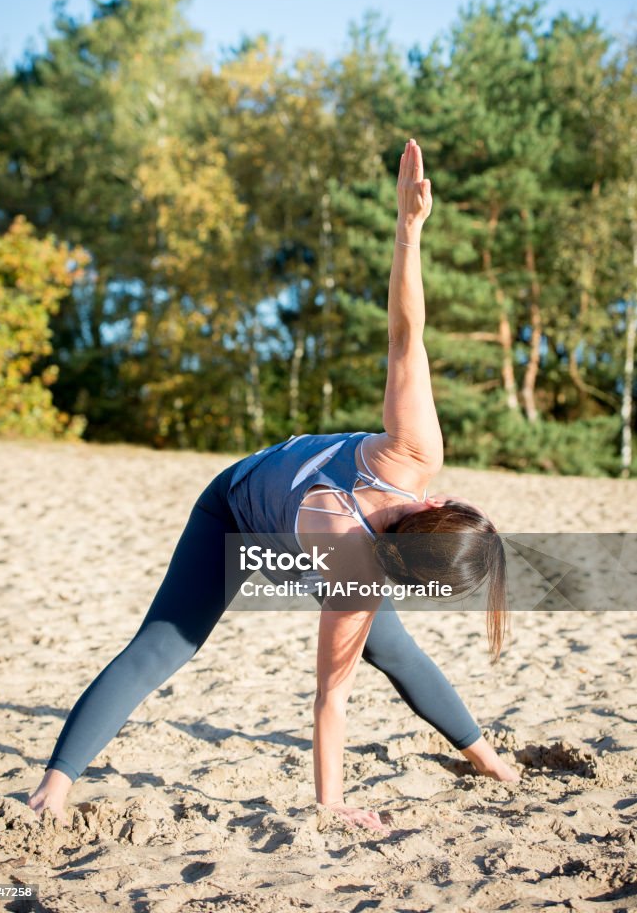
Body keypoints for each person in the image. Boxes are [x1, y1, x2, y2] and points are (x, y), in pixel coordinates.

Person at [27, 139, 519, 833]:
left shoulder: (411, 458)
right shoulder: (359, 566)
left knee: (389, 648)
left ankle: (487, 760)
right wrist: (329, 806)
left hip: (296, 516)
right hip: (231, 511)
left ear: (437, 507)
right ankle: (57, 780)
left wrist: (408, 231)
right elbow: (329, 700)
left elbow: (407, 337)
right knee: (167, 643)